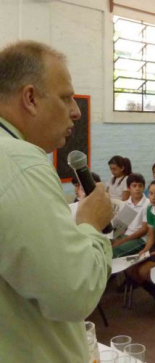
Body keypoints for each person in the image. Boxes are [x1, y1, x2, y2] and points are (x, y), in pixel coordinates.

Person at [0, 40, 112, 362]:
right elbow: (74, 293)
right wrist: (91, 225)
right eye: (66, 98)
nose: (76, 111)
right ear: (30, 98)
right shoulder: (21, 162)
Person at [112, 173, 151, 258]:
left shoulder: (148, 204)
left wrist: (121, 241)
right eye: (134, 186)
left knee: (114, 253)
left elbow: (144, 230)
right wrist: (114, 239)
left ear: (144, 188)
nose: (137, 188)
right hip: (125, 235)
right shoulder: (126, 204)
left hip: (140, 239)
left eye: (140, 186)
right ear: (129, 188)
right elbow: (121, 226)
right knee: (104, 247)